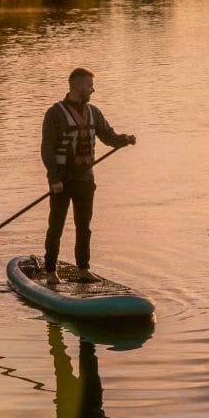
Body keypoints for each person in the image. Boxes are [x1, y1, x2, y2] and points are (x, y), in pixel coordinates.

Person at [41, 68, 135, 284]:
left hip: (85, 179)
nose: (93, 89)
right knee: (56, 226)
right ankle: (50, 272)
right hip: (62, 180)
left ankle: (83, 269)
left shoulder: (94, 112)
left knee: (84, 226)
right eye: (89, 85)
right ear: (76, 86)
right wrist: (53, 179)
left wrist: (124, 139)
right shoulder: (55, 113)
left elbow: (108, 136)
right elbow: (47, 149)